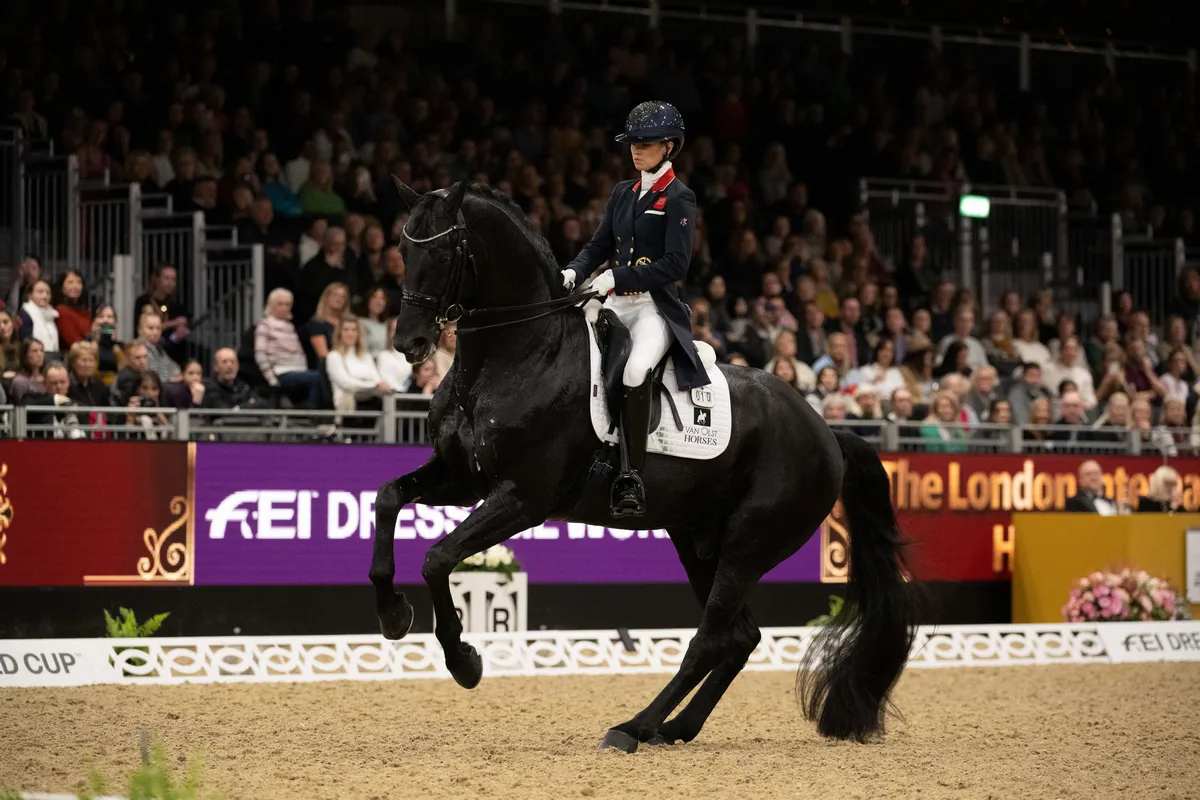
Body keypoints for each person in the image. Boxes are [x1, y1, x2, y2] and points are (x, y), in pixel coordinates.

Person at [559, 100, 707, 517]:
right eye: (633, 144)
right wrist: (572, 272)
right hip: (611, 302)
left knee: (635, 370)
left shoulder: (679, 197)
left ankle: (630, 475)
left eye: (646, 144)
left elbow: (675, 265)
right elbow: (599, 245)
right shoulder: (623, 192)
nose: (636, 150)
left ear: (669, 147)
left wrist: (616, 278)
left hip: (652, 308)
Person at [255, 288, 324, 409]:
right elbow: (260, 355)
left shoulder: (290, 326)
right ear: (271, 305)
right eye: (280, 304)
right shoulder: (265, 325)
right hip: (281, 371)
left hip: (299, 370)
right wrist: (272, 380)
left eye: (287, 304)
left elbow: (299, 352)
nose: (284, 307)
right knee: (317, 377)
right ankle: (310, 411)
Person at [17, 279, 61, 361]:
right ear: (30, 295)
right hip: (34, 358)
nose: (45, 296)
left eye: (48, 293)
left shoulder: (51, 313)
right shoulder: (26, 313)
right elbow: (26, 341)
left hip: (53, 356)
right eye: (40, 292)